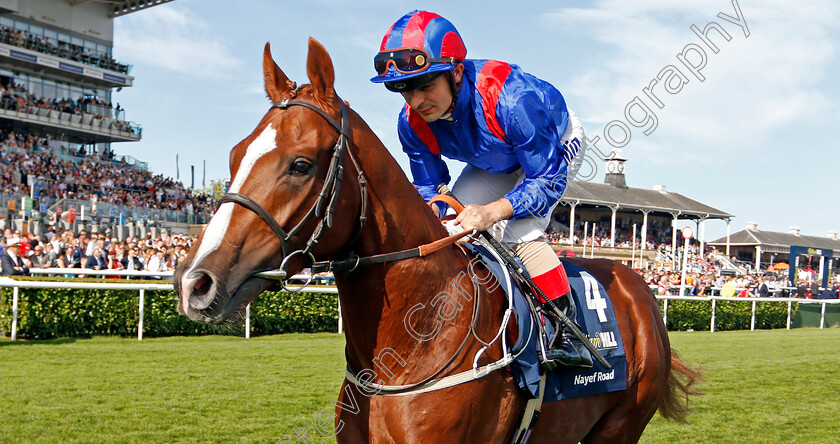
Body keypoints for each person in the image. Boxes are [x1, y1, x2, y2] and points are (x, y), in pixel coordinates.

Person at [372, 11, 590, 368]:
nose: (416, 101)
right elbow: (429, 187)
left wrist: (491, 212)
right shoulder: (411, 123)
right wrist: (437, 216)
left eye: (426, 85)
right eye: (404, 89)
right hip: (495, 159)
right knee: (454, 230)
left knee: (520, 231)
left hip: (552, 147)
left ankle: (571, 334)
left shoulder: (513, 100)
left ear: (456, 72)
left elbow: (545, 181)